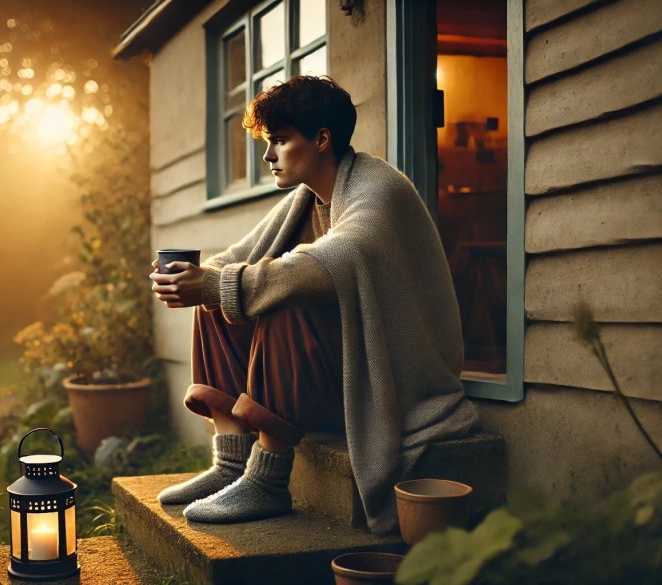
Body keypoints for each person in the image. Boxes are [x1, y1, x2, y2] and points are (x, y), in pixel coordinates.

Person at [148, 75, 478, 534]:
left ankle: (267, 481)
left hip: (394, 383)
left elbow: (325, 265)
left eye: (280, 141)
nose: (268, 156)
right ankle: (232, 462)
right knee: (219, 295)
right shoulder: (308, 197)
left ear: (322, 139)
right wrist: (188, 279)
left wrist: (217, 283)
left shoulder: (378, 190)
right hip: (336, 374)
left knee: (283, 294)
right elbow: (236, 259)